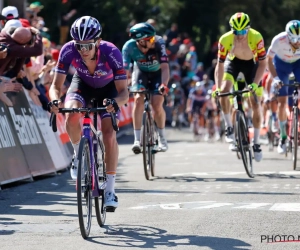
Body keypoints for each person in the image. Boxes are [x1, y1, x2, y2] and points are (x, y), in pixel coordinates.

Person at [48, 16, 128, 209]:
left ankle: (110, 190)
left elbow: (124, 92)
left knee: (109, 135)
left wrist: (115, 103)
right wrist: (55, 100)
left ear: (98, 42)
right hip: (82, 84)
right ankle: (78, 155)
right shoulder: (68, 49)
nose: (83, 50)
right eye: (79, 46)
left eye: (88, 46)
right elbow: (55, 86)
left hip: (108, 89)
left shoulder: (111, 52)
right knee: (72, 113)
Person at [213, 12, 267, 162]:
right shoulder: (225, 39)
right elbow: (220, 65)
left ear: (248, 29)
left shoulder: (256, 37)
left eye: (243, 31)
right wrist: (218, 88)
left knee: (255, 102)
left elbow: (263, 63)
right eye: (236, 32)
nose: (240, 35)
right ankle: (229, 127)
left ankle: (256, 142)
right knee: (224, 91)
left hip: (253, 65)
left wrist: (255, 84)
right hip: (234, 63)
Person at [122, 22, 170, 154]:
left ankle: (162, 138)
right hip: (140, 73)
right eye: (151, 39)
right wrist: (124, 88)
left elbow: (165, 68)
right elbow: (124, 72)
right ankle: (137, 140)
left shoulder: (159, 43)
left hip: (158, 74)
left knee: (156, 104)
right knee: (138, 99)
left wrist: (164, 85)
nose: (154, 40)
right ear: (141, 41)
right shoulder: (129, 47)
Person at [267, 20, 300, 154]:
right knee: (282, 102)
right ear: (287, 36)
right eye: (294, 39)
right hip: (281, 66)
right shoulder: (278, 40)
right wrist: (275, 79)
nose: (297, 42)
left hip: (298, 63)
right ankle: (283, 137)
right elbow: (268, 60)